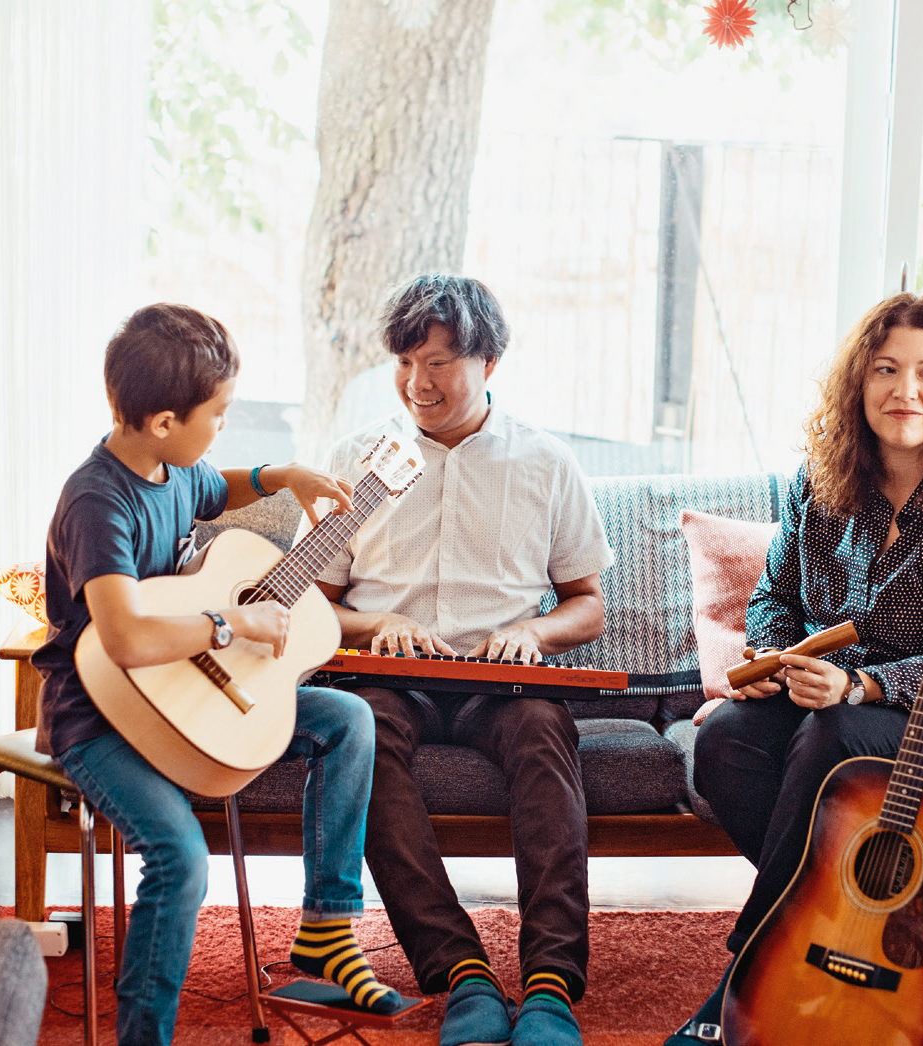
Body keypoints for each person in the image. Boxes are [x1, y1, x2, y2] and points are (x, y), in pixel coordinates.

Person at [32, 303, 402, 1046]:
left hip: (181, 696)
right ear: (164, 420)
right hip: (98, 720)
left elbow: (218, 486)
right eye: (221, 413)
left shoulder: (172, 466)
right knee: (178, 859)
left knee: (350, 722)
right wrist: (232, 625)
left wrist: (283, 475)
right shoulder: (96, 502)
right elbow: (127, 637)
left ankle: (328, 929)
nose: (225, 426)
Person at [667, 293, 923, 1046]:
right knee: (723, 739)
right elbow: (774, 598)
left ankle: (746, 980)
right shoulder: (818, 482)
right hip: (821, 696)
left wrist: (860, 685)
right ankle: (824, 921)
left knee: (834, 738)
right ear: (859, 382)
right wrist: (776, 659)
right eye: (885, 370)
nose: (904, 392)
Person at [304, 274, 613, 1046]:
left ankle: (549, 987)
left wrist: (534, 634)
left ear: (489, 363)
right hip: (387, 677)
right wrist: (375, 623)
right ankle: (461, 976)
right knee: (358, 735)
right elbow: (310, 604)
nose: (418, 383)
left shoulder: (545, 463)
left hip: (497, 681)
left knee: (545, 731)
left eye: (439, 362)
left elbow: (587, 603)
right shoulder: (358, 458)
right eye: (406, 362)